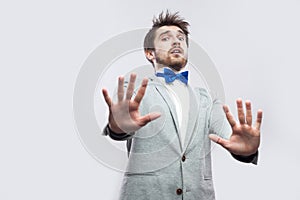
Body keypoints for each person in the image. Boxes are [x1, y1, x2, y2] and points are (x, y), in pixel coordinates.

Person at [102, 11, 263, 200]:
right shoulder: (134, 89)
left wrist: (247, 150)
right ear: (149, 53)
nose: (176, 42)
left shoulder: (207, 99)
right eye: (166, 38)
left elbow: (230, 135)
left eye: (181, 38)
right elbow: (119, 126)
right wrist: (118, 127)